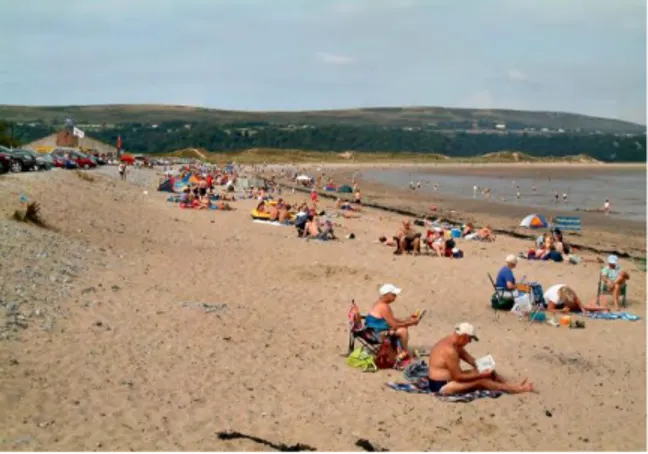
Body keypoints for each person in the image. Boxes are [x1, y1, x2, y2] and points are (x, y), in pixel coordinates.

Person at [427, 323, 533, 395]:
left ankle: (509, 385)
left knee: (485, 369)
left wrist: (486, 367)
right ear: (463, 336)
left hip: (450, 379)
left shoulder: (455, 343)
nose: (469, 342)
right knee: (481, 381)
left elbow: (472, 361)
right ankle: (517, 389)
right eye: (469, 339)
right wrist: (481, 375)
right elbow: (458, 377)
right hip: (441, 385)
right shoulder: (449, 350)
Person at [365, 284, 420, 360]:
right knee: (403, 330)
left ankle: (402, 351)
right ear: (386, 294)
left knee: (402, 327)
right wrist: (411, 323)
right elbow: (394, 325)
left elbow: (391, 319)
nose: (395, 297)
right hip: (377, 335)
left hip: (372, 332)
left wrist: (408, 319)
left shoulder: (379, 303)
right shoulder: (384, 307)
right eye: (393, 295)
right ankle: (404, 352)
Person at [543, 284, 609, 314]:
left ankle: (601, 308)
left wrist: (582, 309)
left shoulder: (568, 290)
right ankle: (599, 308)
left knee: (581, 307)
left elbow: (577, 299)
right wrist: (561, 310)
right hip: (548, 304)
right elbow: (549, 309)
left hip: (561, 302)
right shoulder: (555, 297)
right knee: (574, 308)